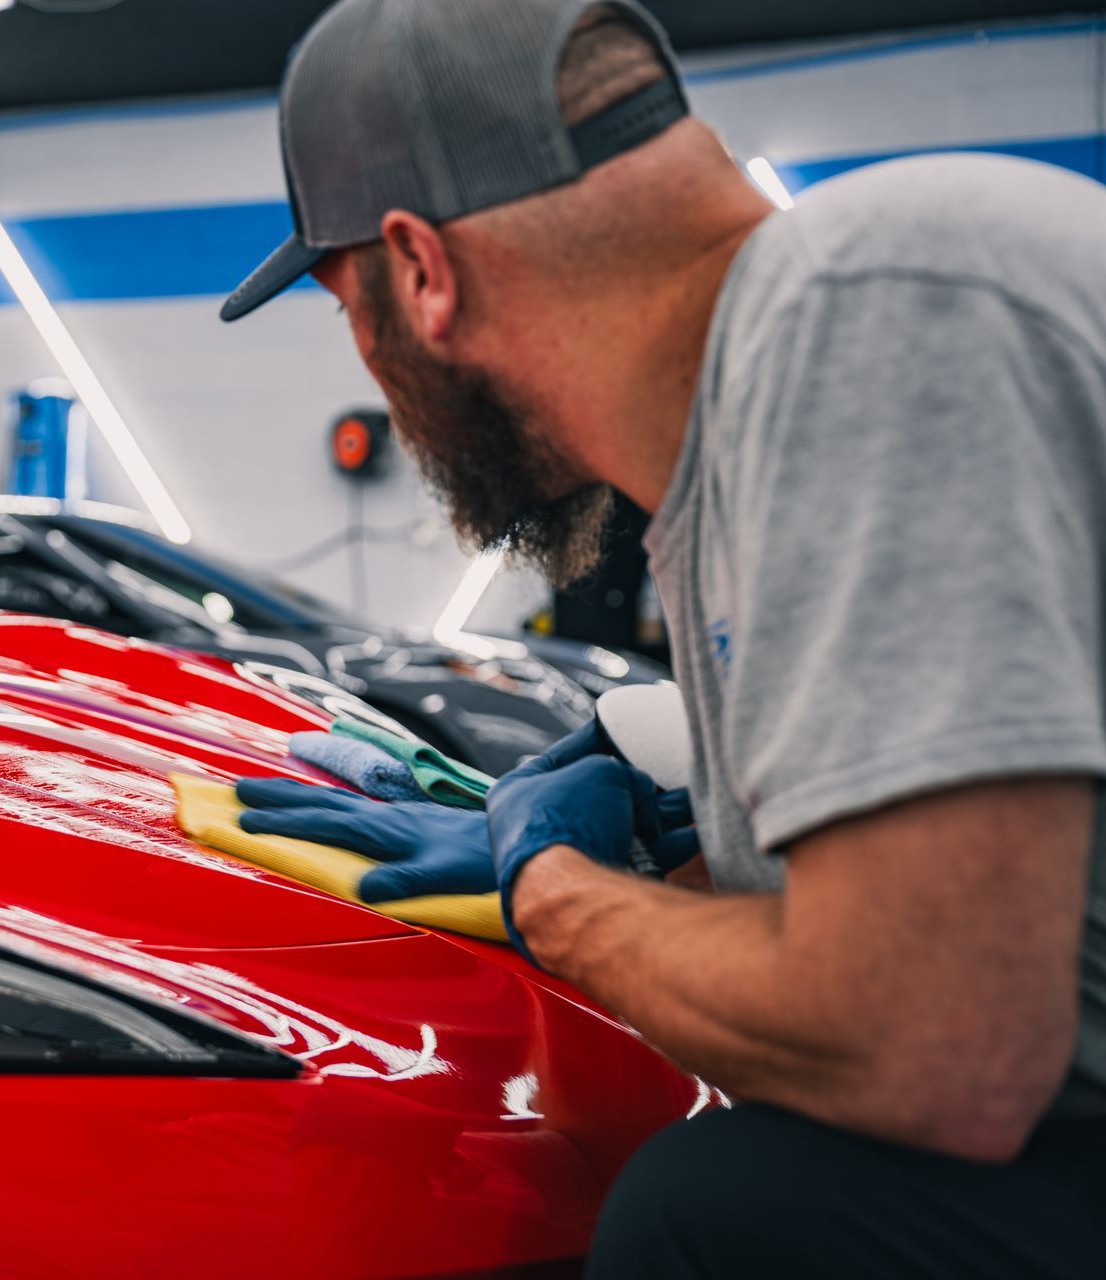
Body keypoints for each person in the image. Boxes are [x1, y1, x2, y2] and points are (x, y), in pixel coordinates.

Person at [218, 0, 1106, 1275]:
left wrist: (559, 896)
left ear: (420, 271)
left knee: (718, 1208)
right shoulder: (769, 393)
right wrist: (695, 849)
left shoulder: (861, 320)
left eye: (345, 303)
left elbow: (935, 1043)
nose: (365, 358)